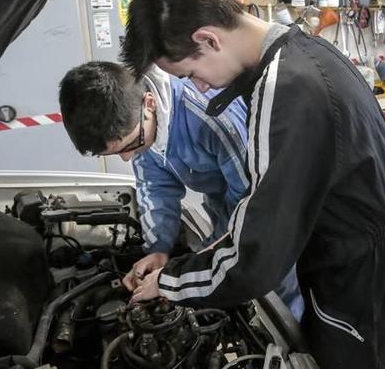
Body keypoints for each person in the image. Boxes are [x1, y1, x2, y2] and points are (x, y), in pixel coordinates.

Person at [119, 0, 385, 369]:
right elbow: (268, 212)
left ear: (208, 39)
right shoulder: (302, 49)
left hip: (358, 275)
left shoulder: (287, 89)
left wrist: (171, 283)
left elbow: (255, 259)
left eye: (191, 75)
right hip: (365, 253)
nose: (201, 88)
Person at [58, 61, 304, 317]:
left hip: (271, 206)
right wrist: (158, 249)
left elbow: (251, 209)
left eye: (131, 145)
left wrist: (179, 276)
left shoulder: (211, 117)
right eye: (117, 152)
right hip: (223, 201)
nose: (127, 157)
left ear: (150, 104)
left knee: (275, 286)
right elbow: (155, 189)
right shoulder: (139, 126)